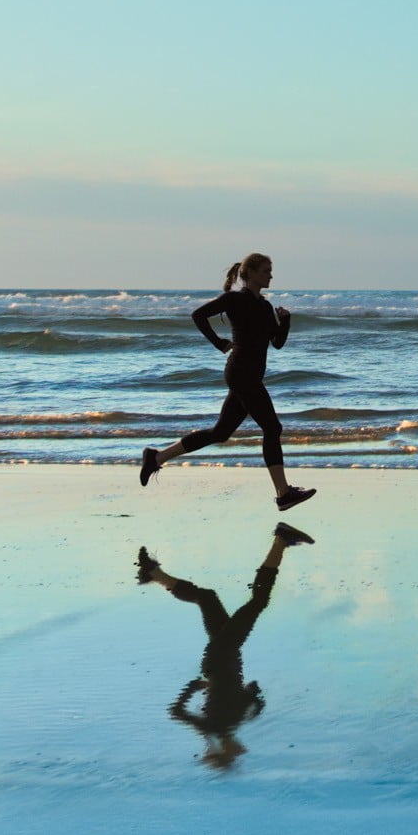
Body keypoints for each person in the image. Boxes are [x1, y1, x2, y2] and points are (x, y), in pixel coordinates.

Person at [143, 253, 316, 511]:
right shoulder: (234, 300)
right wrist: (219, 343)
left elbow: (277, 344)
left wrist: (285, 321)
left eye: (271, 270)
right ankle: (283, 492)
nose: (271, 275)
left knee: (220, 433)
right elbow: (198, 315)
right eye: (266, 270)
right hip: (241, 373)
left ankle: (157, 457)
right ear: (251, 273)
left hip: (250, 375)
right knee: (272, 428)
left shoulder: (265, 307)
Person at [140, 525, 306, 770]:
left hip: (225, 653)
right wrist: (203, 687)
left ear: (225, 751)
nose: (241, 752)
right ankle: (155, 575)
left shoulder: (221, 726)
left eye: (234, 756)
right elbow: (248, 690)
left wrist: (200, 687)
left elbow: (177, 711)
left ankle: (281, 540)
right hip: (217, 660)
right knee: (207, 597)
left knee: (259, 601)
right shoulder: (217, 727)